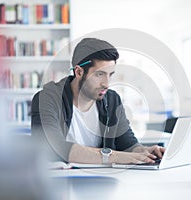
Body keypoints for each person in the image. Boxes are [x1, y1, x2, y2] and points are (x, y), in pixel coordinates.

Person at [31, 38, 165, 164]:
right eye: (99, 74)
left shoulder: (112, 99)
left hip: (103, 182)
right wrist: (115, 156)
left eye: (110, 75)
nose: (106, 84)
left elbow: (127, 144)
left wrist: (144, 152)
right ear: (79, 72)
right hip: (58, 181)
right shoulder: (47, 99)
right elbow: (51, 148)